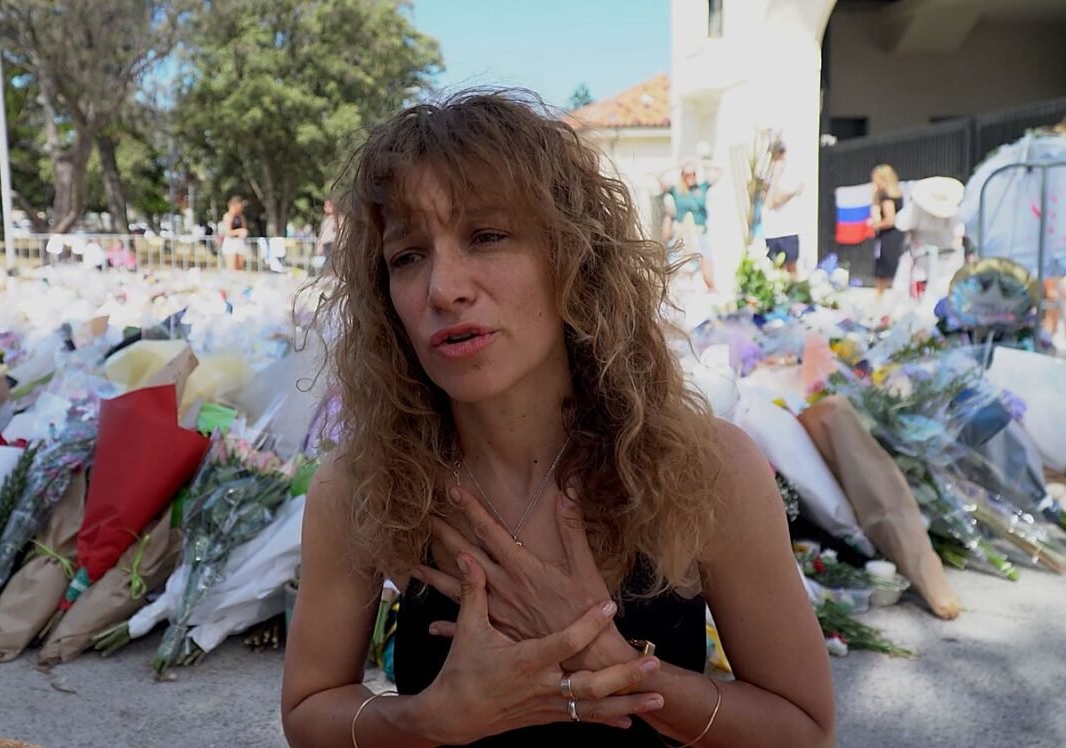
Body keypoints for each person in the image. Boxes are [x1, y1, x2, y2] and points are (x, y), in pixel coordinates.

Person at [281, 91, 834, 748]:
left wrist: (613, 664)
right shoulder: (366, 488)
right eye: (408, 256)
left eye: (487, 237)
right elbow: (310, 712)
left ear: (573, 258)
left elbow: (806, 731)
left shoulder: (704, 470)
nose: (443, 288)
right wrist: (428, 720)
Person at [894, 177, 965, 302]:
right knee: (915, 297)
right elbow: (902, 224)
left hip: (946, 262)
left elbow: (958, 236)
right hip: (920, 262)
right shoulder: (916, 208)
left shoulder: (955, 213)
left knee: (943, 294)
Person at [658, 163, 715, 290]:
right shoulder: (677, 191)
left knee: (706, 275)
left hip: (700, 234)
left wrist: (700, 161)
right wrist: (678, 165)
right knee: (677, 273)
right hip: (682, 236)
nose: (690, 177)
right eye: (686, 174)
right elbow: (660, 176)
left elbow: (719, 172)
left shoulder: (702, 188)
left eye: (693, 174)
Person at [762, 142, 803, 275]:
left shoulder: (792, 174)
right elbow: (769, 202)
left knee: (791, 269)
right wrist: (775, 177)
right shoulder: (768, 174)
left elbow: (777, 199)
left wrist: (776, 181)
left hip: (789, 229)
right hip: (772, 230)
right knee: (775, 270)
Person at [870, 165, 905, 299]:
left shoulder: (886, 197)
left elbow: (890, 220)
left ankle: (878, 298)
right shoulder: (897, 195)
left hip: (888, 238)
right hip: (896, 236)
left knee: (884, 271)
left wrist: (875, 225)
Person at [219, 195, 250, 271]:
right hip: (231, 242)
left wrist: (244, 232)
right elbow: (228, 231)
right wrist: (239, 231)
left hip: (239, 242)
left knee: (240, 267)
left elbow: (244, 227)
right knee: (232, 268)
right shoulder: (228, 216)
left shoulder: (241, 217)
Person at [314, 198, 339, 273]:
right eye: (325, 206)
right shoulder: (325, 219)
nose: (326, 208)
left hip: (332, 243)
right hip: (325, 244)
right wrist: (320, 244)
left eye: (329, 206)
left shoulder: (337, 219)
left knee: (331, 262)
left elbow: (338, 232)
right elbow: (322, 233)